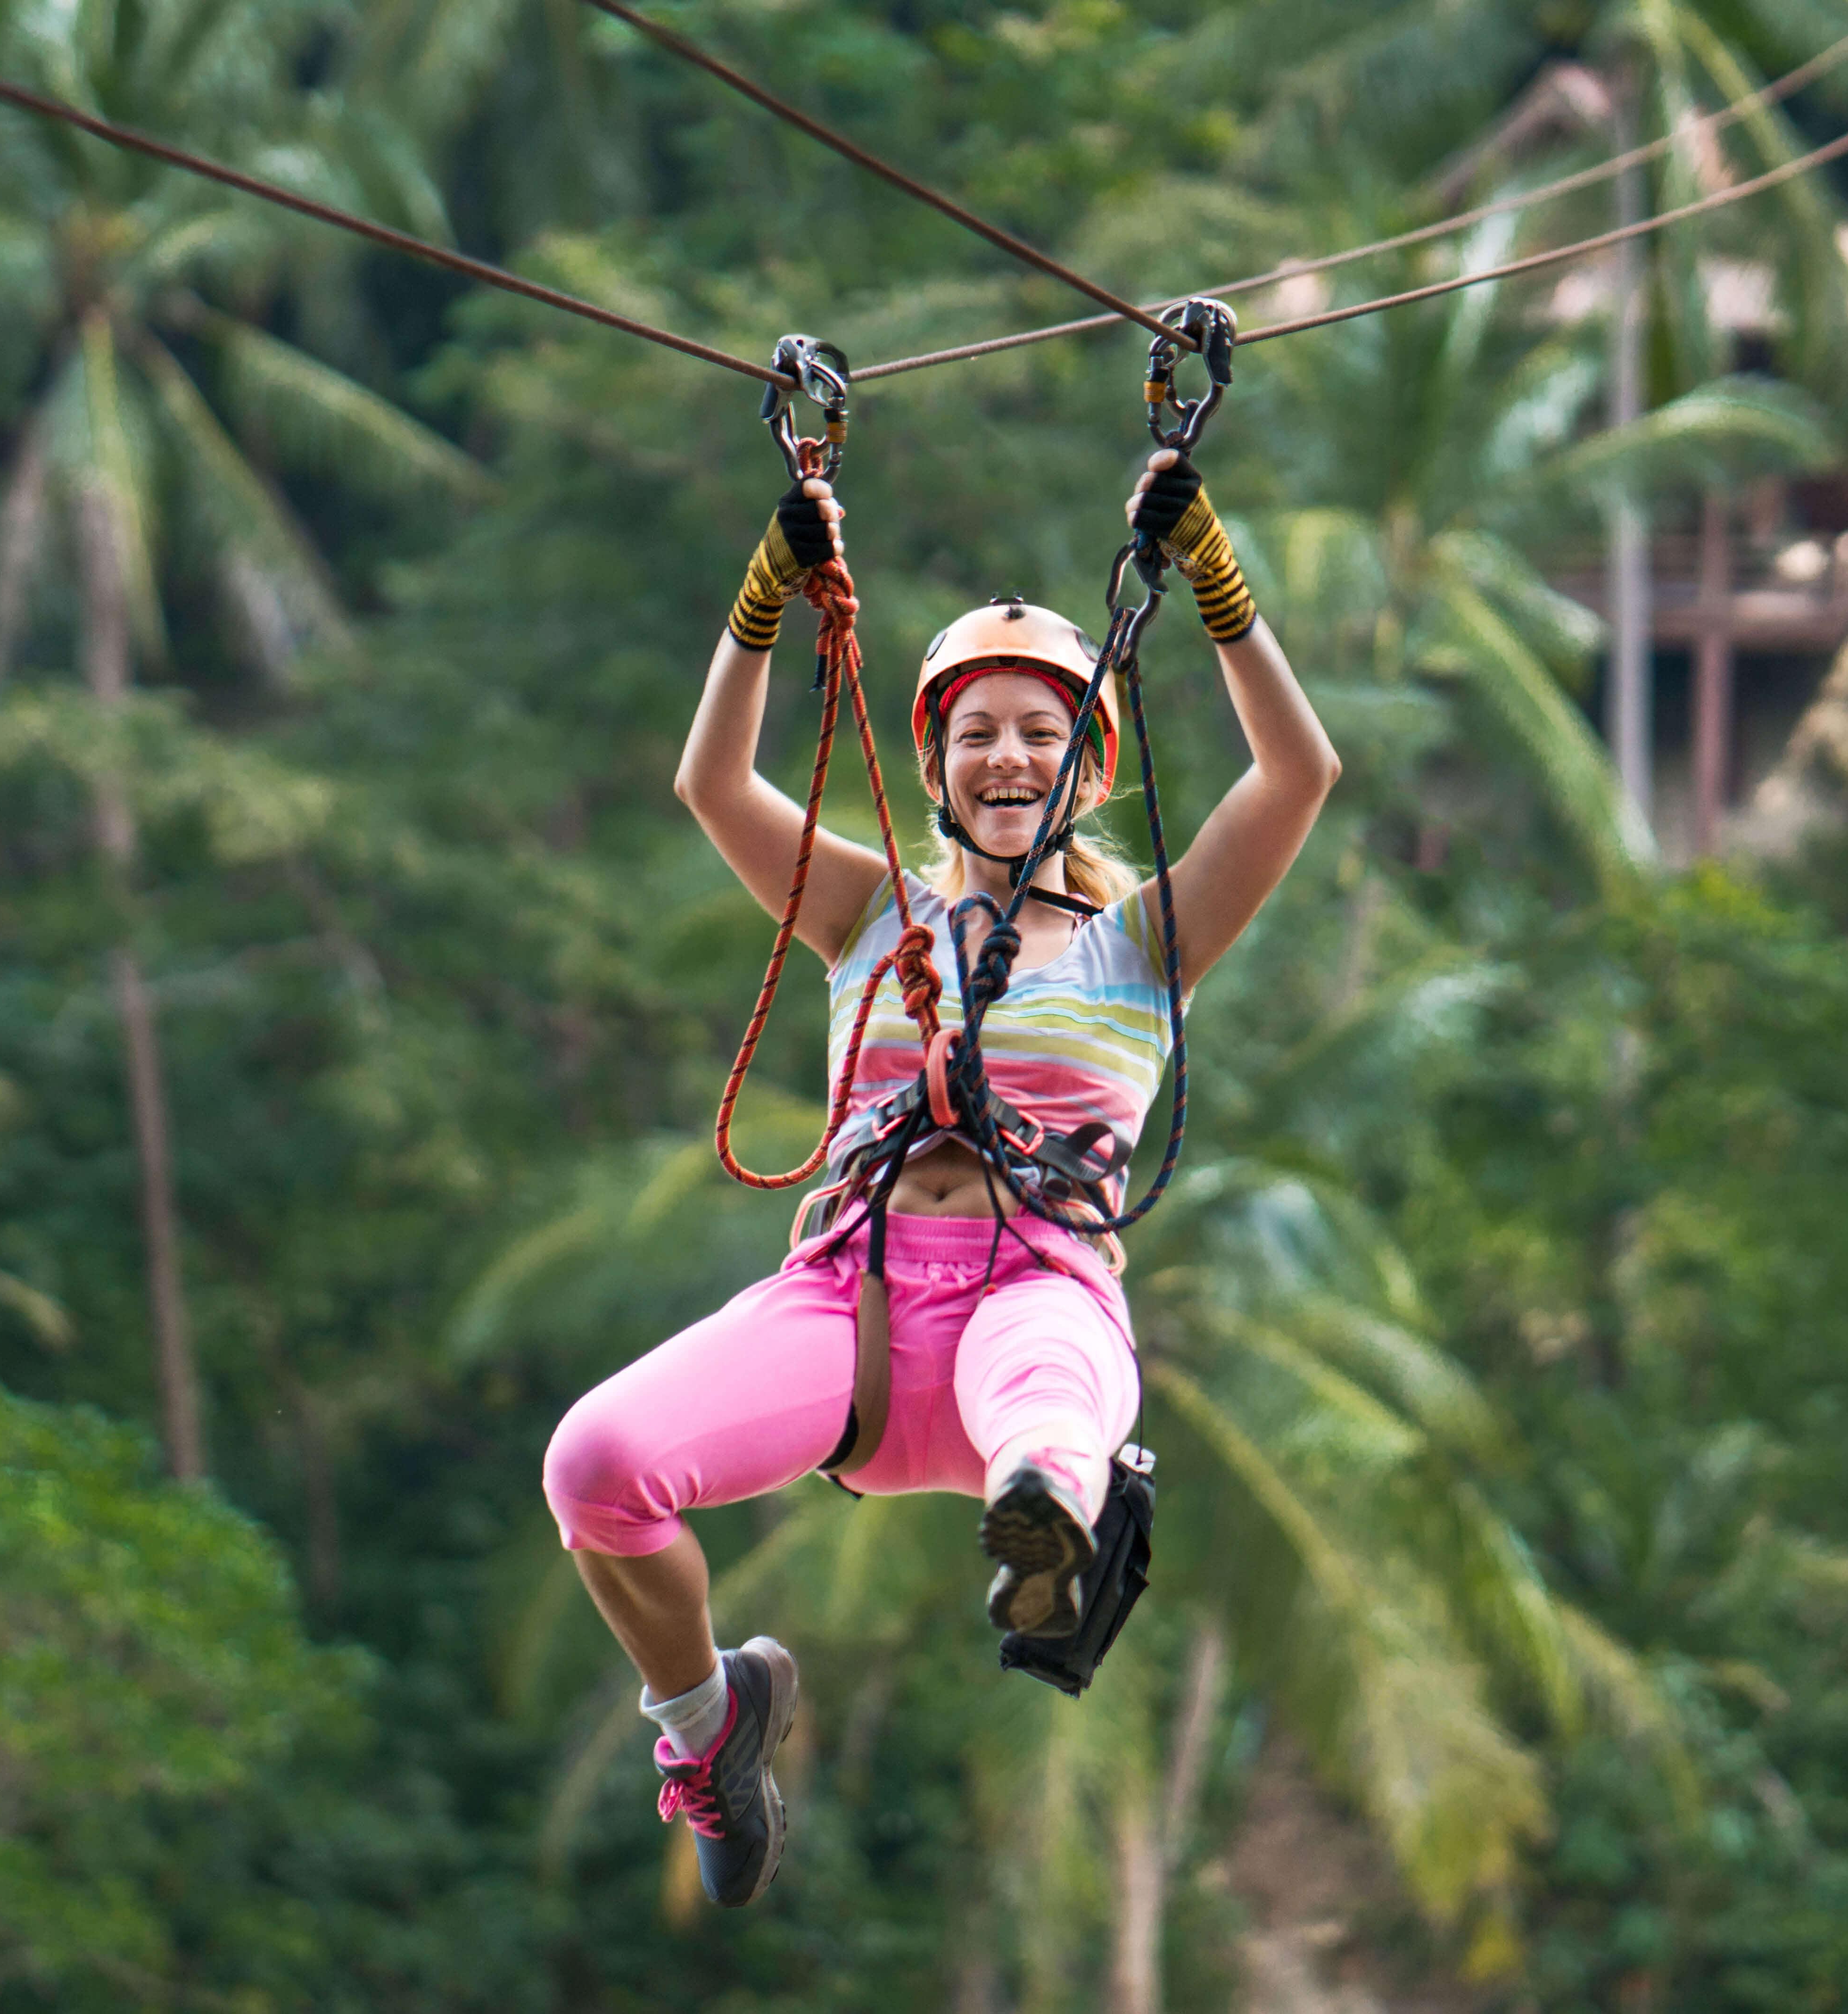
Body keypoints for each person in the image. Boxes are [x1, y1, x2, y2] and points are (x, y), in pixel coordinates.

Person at [541, 443, 1340, 1908]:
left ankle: (1048, 1529)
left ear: (1089, 768)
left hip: (1030, 1298)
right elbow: (708, 778)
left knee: (1042, 1428)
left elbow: (1298, 774)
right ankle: (707, 1726)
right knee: (594, 1470)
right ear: (936, 766)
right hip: (843, 1314)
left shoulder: (1145, 946)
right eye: (975, 733)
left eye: (1041, 732)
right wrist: (767, 592)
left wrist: (1216, 582)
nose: (1007, 757)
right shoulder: (866, 916)